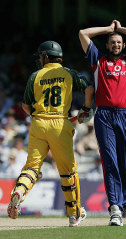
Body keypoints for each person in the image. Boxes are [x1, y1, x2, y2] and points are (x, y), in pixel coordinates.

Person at [7, 40, 94, 227]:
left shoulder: (35, 76)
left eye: (40, 56)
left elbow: (24, 105)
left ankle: (19, 192)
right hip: (60, 125)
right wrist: (86, 109)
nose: (40, 59)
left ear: (46, 56)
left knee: (32, 166)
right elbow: (89, 89)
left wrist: (38, 116)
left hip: (38, 123)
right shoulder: (69, 73)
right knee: (68, 171)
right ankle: (74, 214)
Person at [78, 20, 126, 226]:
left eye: (119, 42)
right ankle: (115, 208)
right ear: (107, 45)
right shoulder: (98, 60)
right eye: (112, 42)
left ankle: (124, 204)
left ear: (124, 45)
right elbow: (83, 34)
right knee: (109, 161)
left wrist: (121, 30)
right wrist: (108, 30)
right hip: (104, 116)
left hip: (125, 115)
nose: (116, 45)